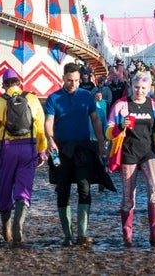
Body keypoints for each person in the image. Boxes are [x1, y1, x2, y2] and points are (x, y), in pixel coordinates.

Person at [45, 63, 108, 246]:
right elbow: (48, 121)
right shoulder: (53, 98)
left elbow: (95, 119)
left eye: (76, 81)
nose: (73, 84)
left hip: (83, 148)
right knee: (63, 189)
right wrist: (50, 139)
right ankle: (67, 235)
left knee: (84, 188)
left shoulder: (86, 96)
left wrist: (102, 143)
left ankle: (82, 233)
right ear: (63, 78)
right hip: (61, 149)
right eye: (70, 80)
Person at [106, 71, 155, 247]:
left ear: (149, 88)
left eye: (143, 88)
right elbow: (108, 131)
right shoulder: (121, 105)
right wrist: (120, 126)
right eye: (136, 87)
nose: (139, 91)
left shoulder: (154, 106)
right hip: (128, 154)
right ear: (131, 87)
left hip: (149, 152)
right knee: (128, 196)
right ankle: (127, 235)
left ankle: (154, 233)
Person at [0, 68, 47, 245]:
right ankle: (19, 224)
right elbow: (39, 126)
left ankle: (6, 227)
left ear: (4, 84)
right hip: (28, 148)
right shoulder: (31, 98)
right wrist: (41, 150)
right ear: (19, 82)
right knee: (24, 188)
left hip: (8, 148)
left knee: (5, 185)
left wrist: (2, 139)